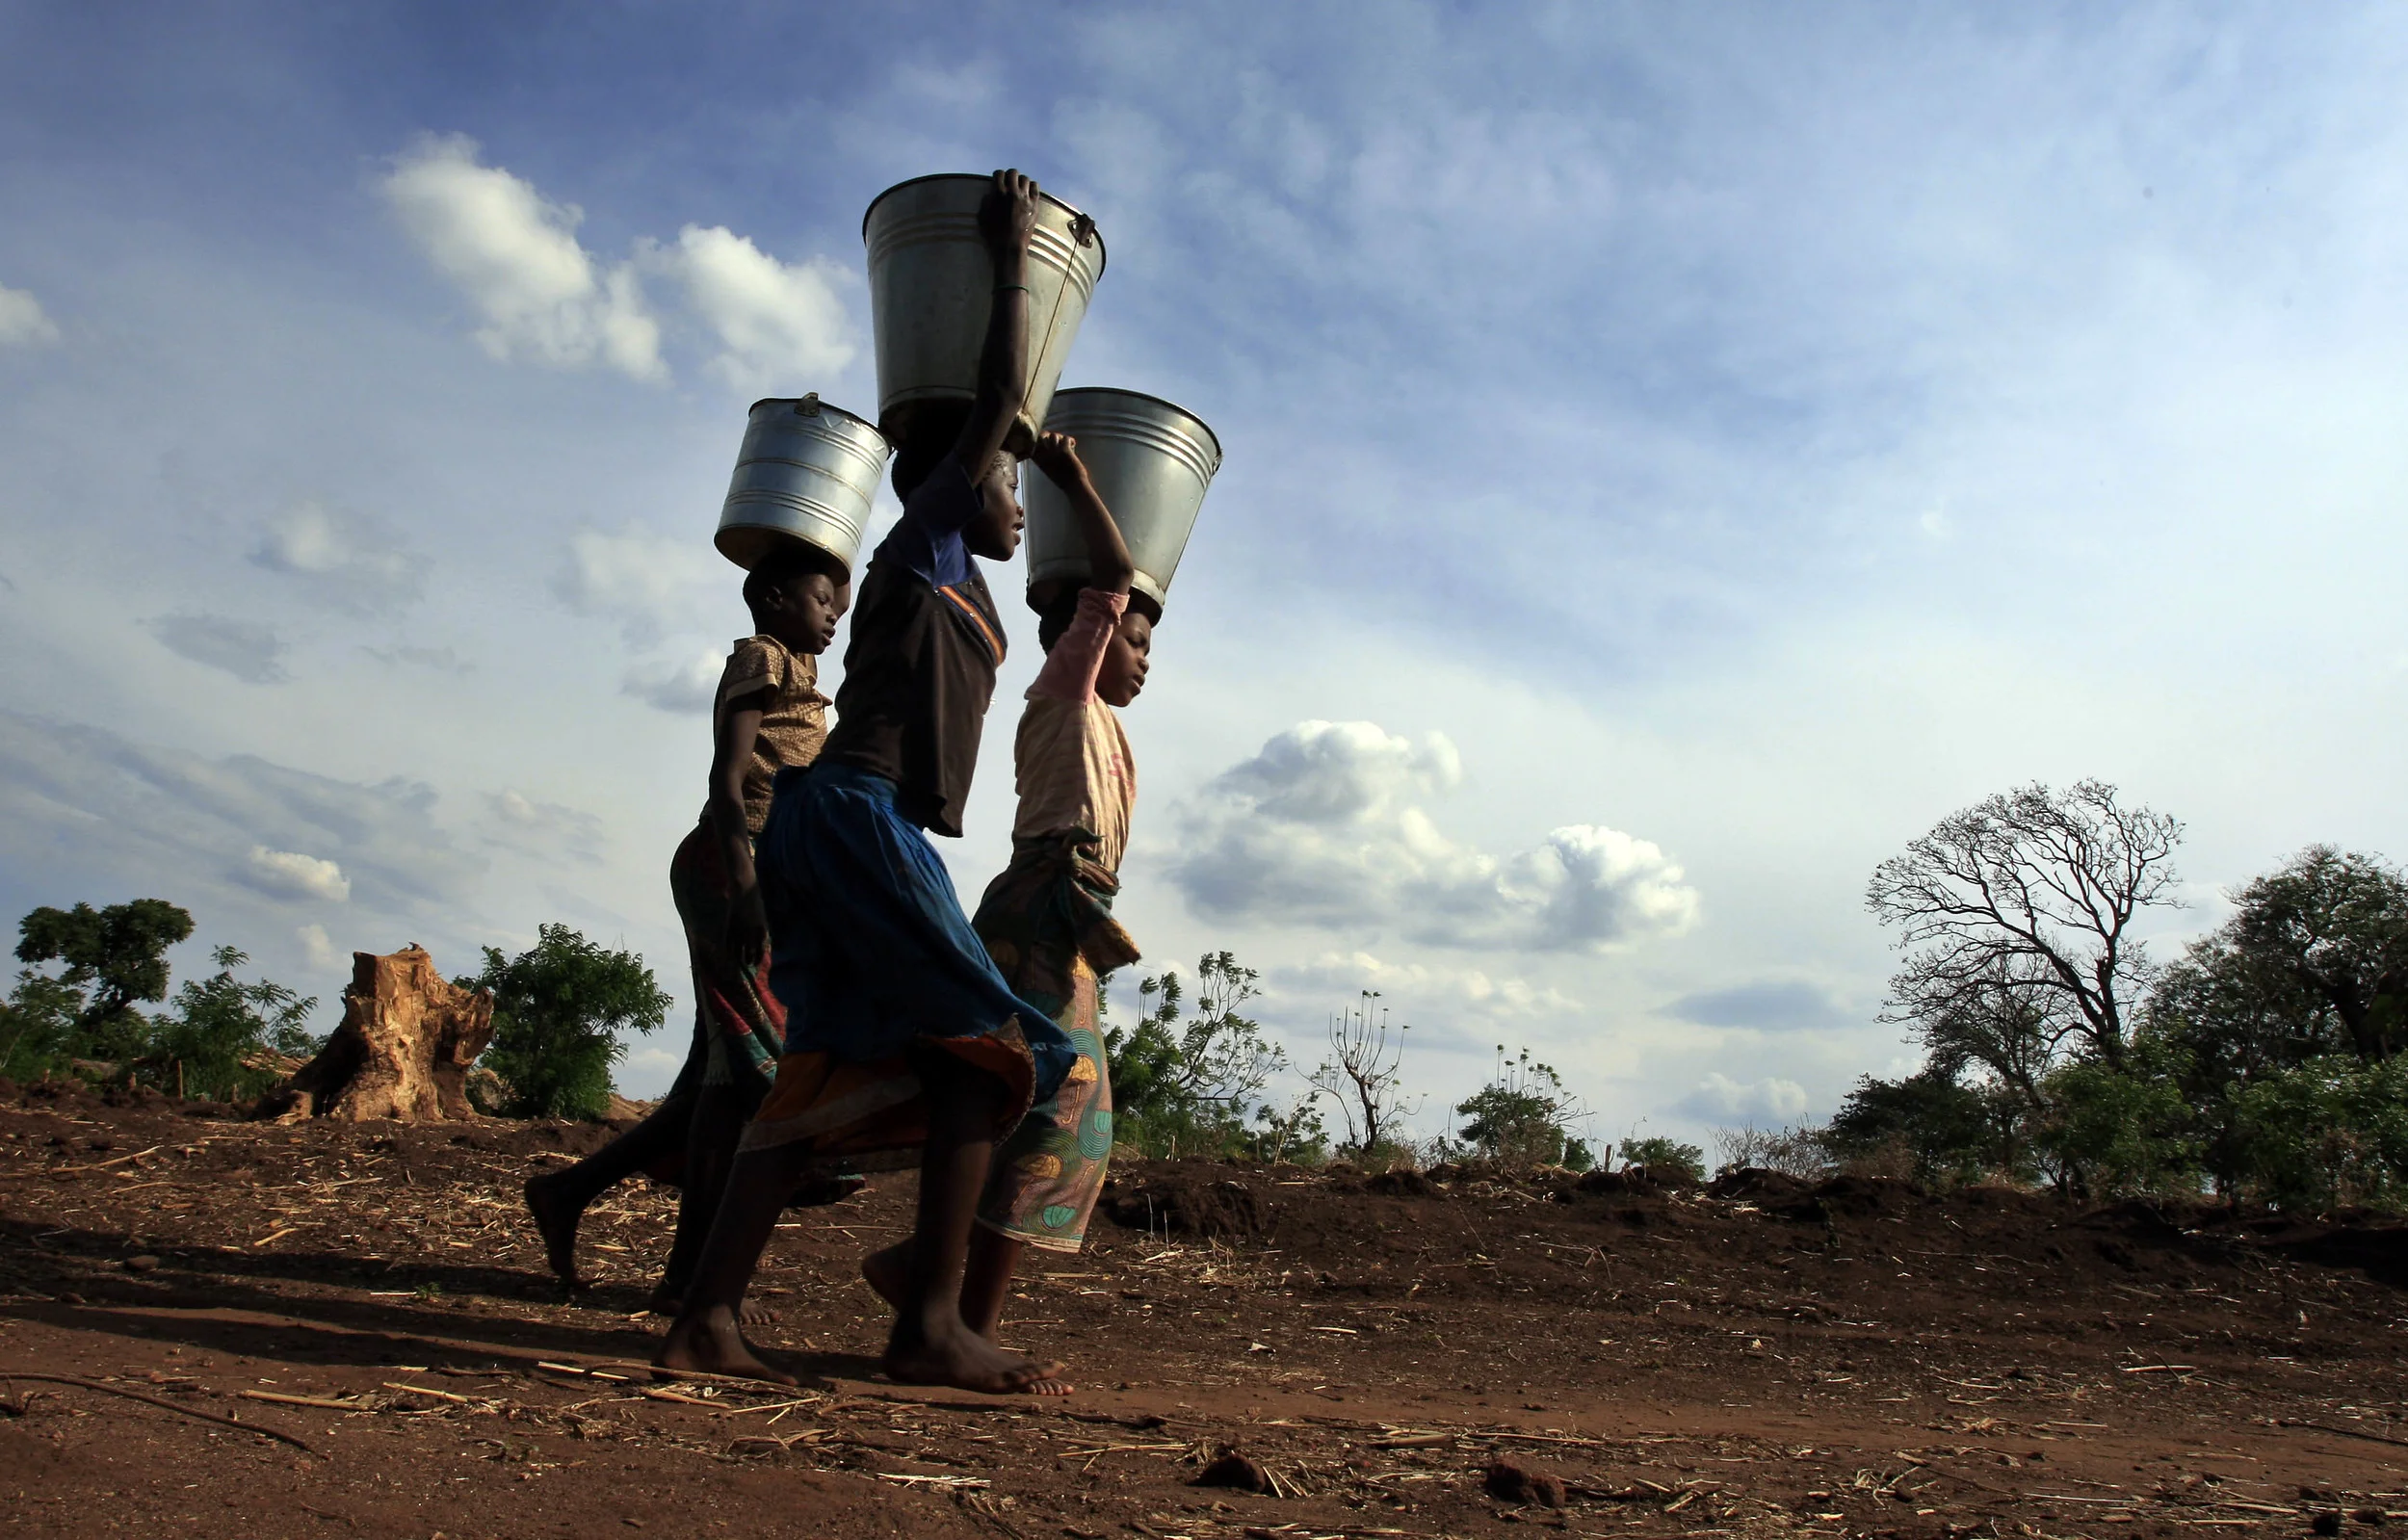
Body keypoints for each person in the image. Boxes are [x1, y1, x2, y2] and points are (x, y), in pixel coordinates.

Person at [657, 169, 1074, 1395]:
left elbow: (1060, 521)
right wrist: (1009, 259)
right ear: (960, 473)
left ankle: (706, 1318)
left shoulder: (964, 580)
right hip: (855, 819)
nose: (1014, 498)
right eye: (1003, 478)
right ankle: (927, 1320)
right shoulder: (922, 537)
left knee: (816, 1075)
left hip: (827, 827)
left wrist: (1058, 468)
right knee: (1001, 1050)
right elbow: (996, 398)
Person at [861, 430, 1147, 1376]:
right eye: (1130, 638)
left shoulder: (1108, 731)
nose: (1141, 658)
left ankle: (944, 1299)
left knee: (1059, 1119)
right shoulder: (1065, 692)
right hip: (1038, 909)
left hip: (1063, 917)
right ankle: (948, 1317)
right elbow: (1113, 572)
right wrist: (1070, 476)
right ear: (1083, 636)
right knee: (1038, 1101)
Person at [525, 542, 851, 1314]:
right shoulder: (760, 655)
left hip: (762, 874)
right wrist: (742, 884)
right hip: (730, 868)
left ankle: (572, 1193)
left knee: (716, 1077)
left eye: (838, 605)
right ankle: (688, 1277)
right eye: (820, 599)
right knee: (755, 1067)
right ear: (772, 599)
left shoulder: (802, 670)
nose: (834, 613)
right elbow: (726, 776)